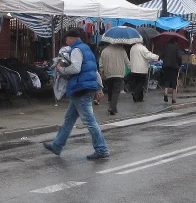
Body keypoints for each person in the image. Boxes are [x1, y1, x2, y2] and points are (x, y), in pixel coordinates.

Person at [42, 28, 110, 160]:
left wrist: (61, 69)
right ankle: (57, 145)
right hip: (85, 88)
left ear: (72, 38)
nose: (66, 42)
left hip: (80, 88)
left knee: (89, 121)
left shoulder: (76, 50)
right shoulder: (86, 49)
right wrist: (98, 88)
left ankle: (101, 149)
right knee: (69, 119)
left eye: (66, 39)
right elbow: (94, 70)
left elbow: (75, 68)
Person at [99, 42, 130, 115]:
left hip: (108, 73)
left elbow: (101, 63)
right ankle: (112, 107)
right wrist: (130, 69)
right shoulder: (122, 50)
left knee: (110, 89)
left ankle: (110, 102)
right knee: (116, 91)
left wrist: (102, 72)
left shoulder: (104, 51)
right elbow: (127, 62)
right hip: (119, 73)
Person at [159, 37, 183, 103]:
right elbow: (179, 57)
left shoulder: (165, 46)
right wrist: (180, 64)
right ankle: (173, 98)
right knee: (174, 82)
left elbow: (161, 55)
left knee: (167, 79)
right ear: (175, 41)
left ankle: (165, 93)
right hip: (174, 66)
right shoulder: (177, 47)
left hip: (166, 66)